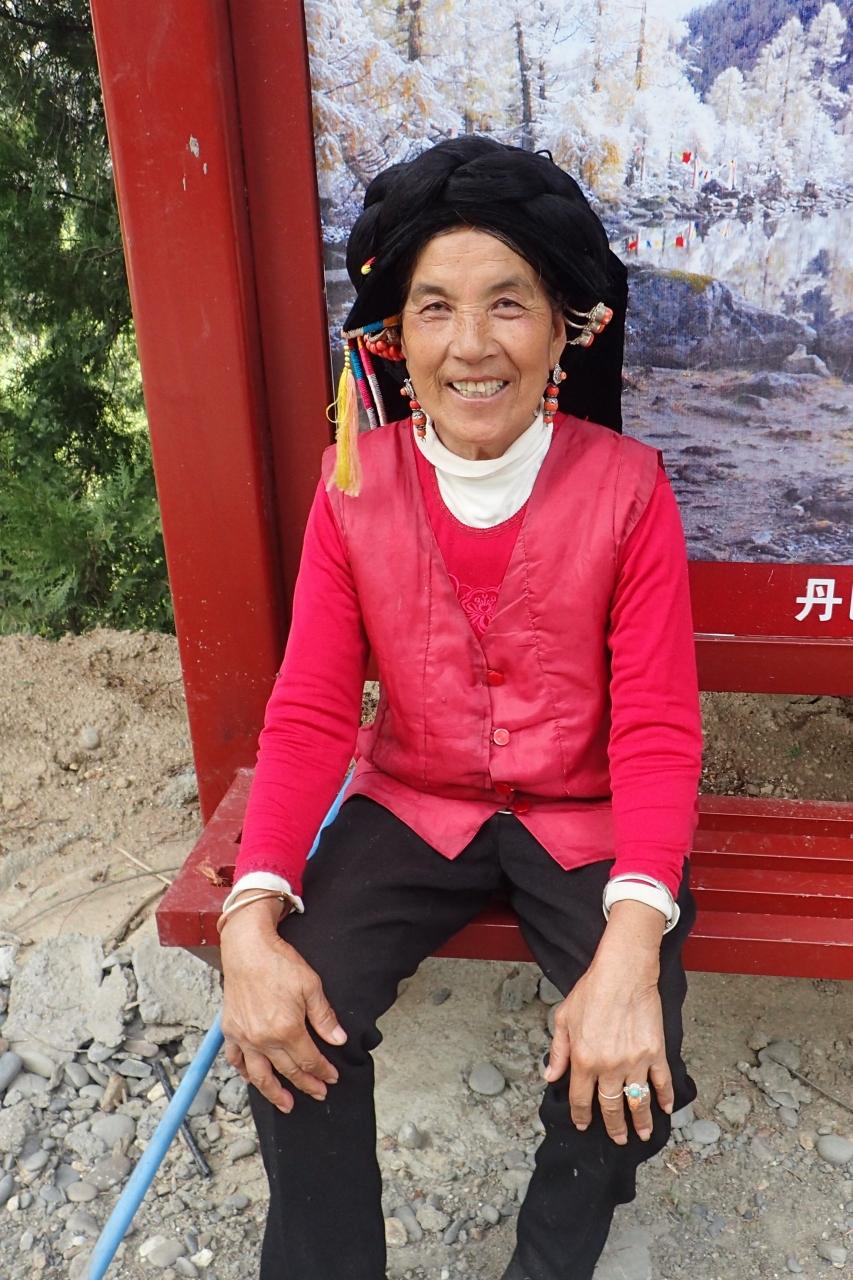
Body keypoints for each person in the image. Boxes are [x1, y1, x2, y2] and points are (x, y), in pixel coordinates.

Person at [218, 135, 703, 1280]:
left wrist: (631, 948)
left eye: (508, 303)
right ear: (396, 335)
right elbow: (311, 712)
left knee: (634, 1057)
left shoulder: (628, 489)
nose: (472, 343)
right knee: (298, 1019)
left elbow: (655, 726)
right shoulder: (351, 489)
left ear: (564, 330)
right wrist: (249, 914)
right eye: (435, 306)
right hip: (413, 802)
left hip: (584, 815)